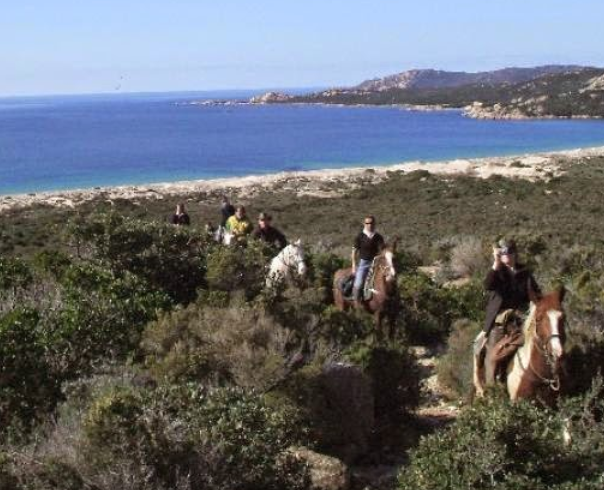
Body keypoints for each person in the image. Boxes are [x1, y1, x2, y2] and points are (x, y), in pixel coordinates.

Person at [482, 238, 541, 385]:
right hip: (500, 321)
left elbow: (536, 294)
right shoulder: (497, 272)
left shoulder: (525, 273)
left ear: (515, 253)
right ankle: (492, 388)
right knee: (494, 355)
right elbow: (487, 285)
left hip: (521, 319)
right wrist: (495, 263)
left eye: (509, 251)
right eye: (502, 252)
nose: (506, 255)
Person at [351, 215, 385, 306]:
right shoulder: (360, 236)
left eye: (371, 223)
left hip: (376, 263)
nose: (370, 225)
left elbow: (382, 251)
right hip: (364, 263)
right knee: (358, 283)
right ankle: (357, 304)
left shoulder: (378, 237)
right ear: (364, 224)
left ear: (374, 224)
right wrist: (354, 265)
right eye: (367, 223)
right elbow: (354, 251)